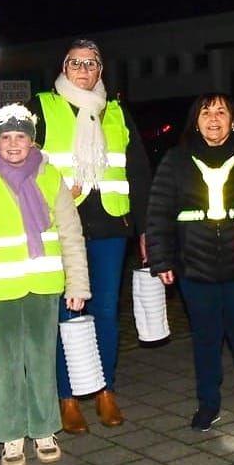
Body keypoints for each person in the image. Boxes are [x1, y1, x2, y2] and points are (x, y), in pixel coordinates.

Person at [0, 104, 91, 465]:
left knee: (42, 359)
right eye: (6, 137)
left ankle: (44, 428)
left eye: (21, 136)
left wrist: (78, 283)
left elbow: (71, 234)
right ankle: (10, 434)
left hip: (43, 286)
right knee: (5, 364)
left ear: (32, 140)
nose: (14, 144)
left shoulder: (51, 177)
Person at [26, 39, 151, 434]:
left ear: (101, 70)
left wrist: (146, 228)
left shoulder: (114, 111)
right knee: (69, 311)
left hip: (111, 225)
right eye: (75, 63)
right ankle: (66, 396)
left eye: (91, 63)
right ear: (63, 67)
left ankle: (104, 389)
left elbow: (139, 171)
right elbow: (18, 165)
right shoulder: (41, 107)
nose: (83, 69)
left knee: (107, 312)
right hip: (62, 226)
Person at [146, 93, 234, 433]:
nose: (213, 119)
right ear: (194, 121)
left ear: (233, 119)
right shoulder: (176, 160)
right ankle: (208, 404)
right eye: (206, 112)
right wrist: (161, 258)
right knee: (205, 341)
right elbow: (158, 213)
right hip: (194, 270)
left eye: (221, 112)